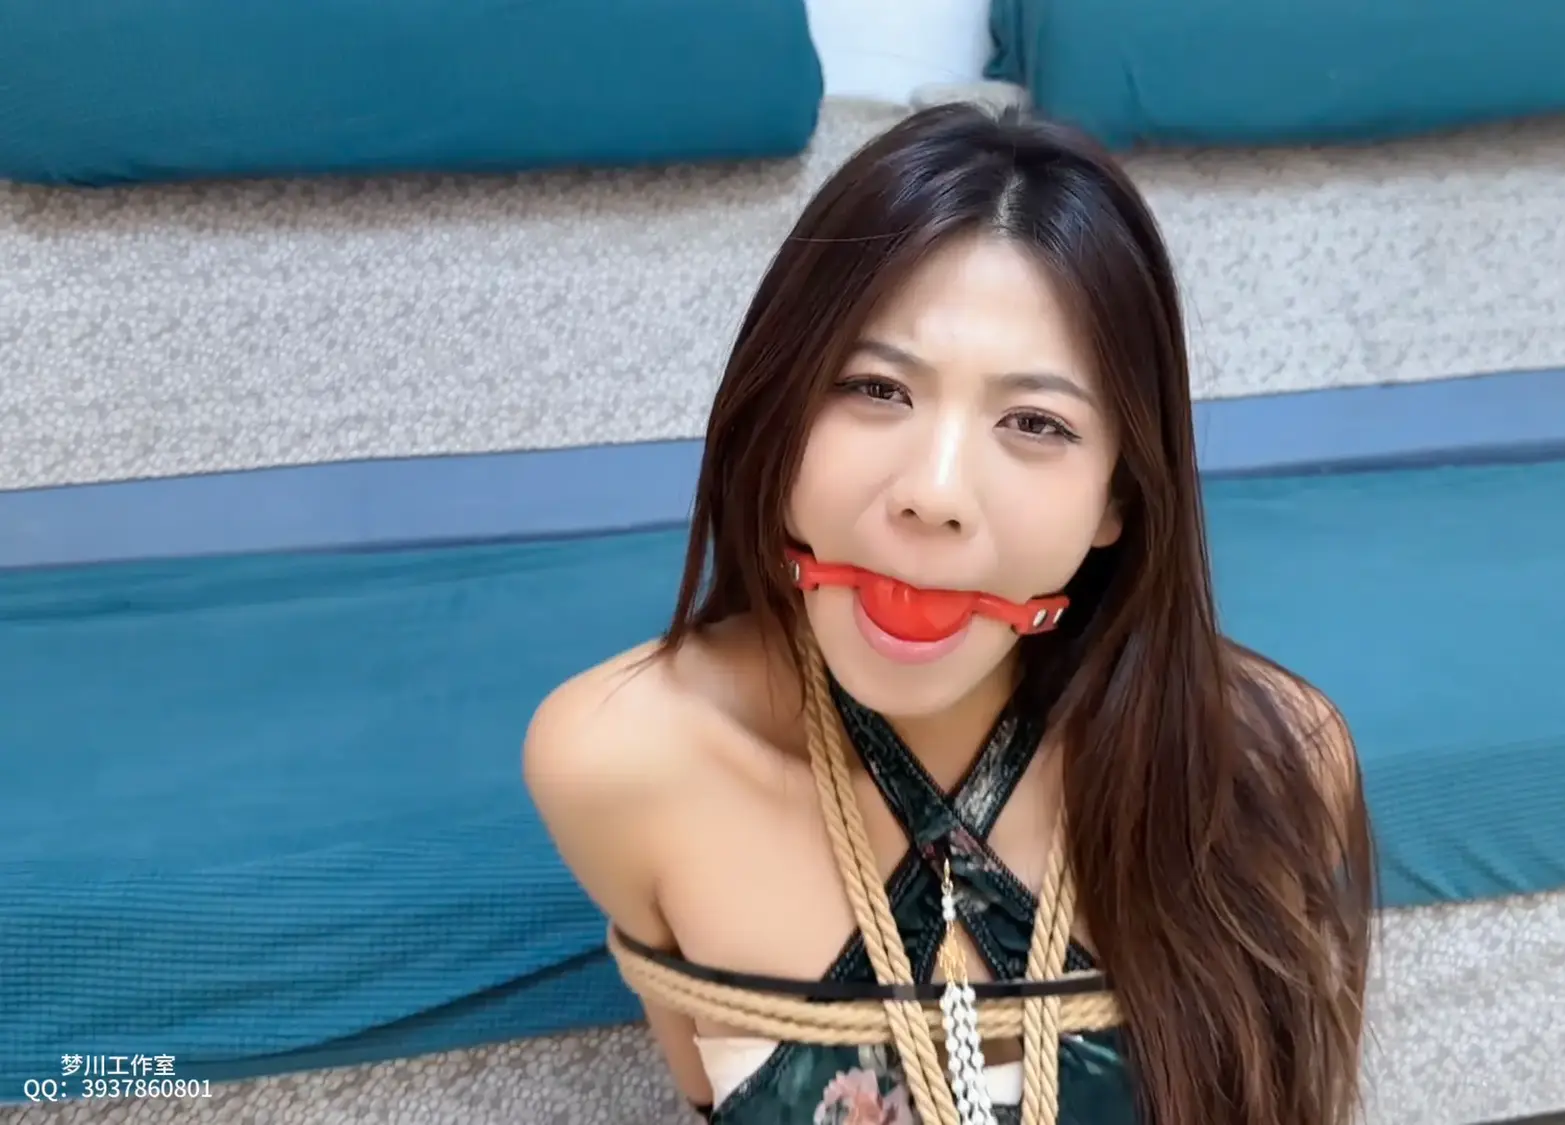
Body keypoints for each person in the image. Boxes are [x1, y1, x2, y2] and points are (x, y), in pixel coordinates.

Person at [523, 101, 1375, 1125]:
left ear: (1119, 497)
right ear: (774, 412)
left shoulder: (1275, 761)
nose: (933, 493)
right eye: (876, 388)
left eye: (1035, 422)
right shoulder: (618, 761)